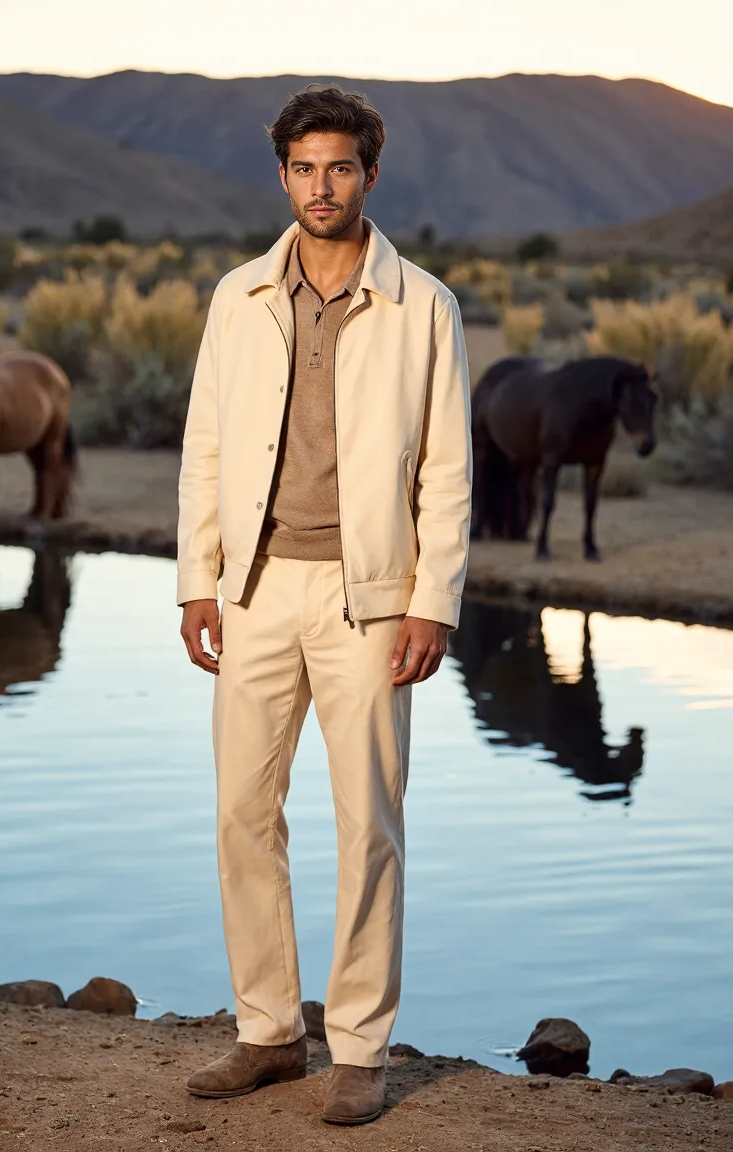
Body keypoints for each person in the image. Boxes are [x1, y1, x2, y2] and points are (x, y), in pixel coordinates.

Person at [176, 84, 472, 1126]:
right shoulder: (238, 297)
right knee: (240, 812)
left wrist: (432, 602)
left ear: (369, 176)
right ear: (282, 176)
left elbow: (446, 470)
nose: (320, 186)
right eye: (303, 168)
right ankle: (267, 1033)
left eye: (339, 167)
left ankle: (358, 1050)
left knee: (367, 824)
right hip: (254, 589)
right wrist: (197, 579)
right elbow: (205, 447)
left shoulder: (423, 306)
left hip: (372, 600)